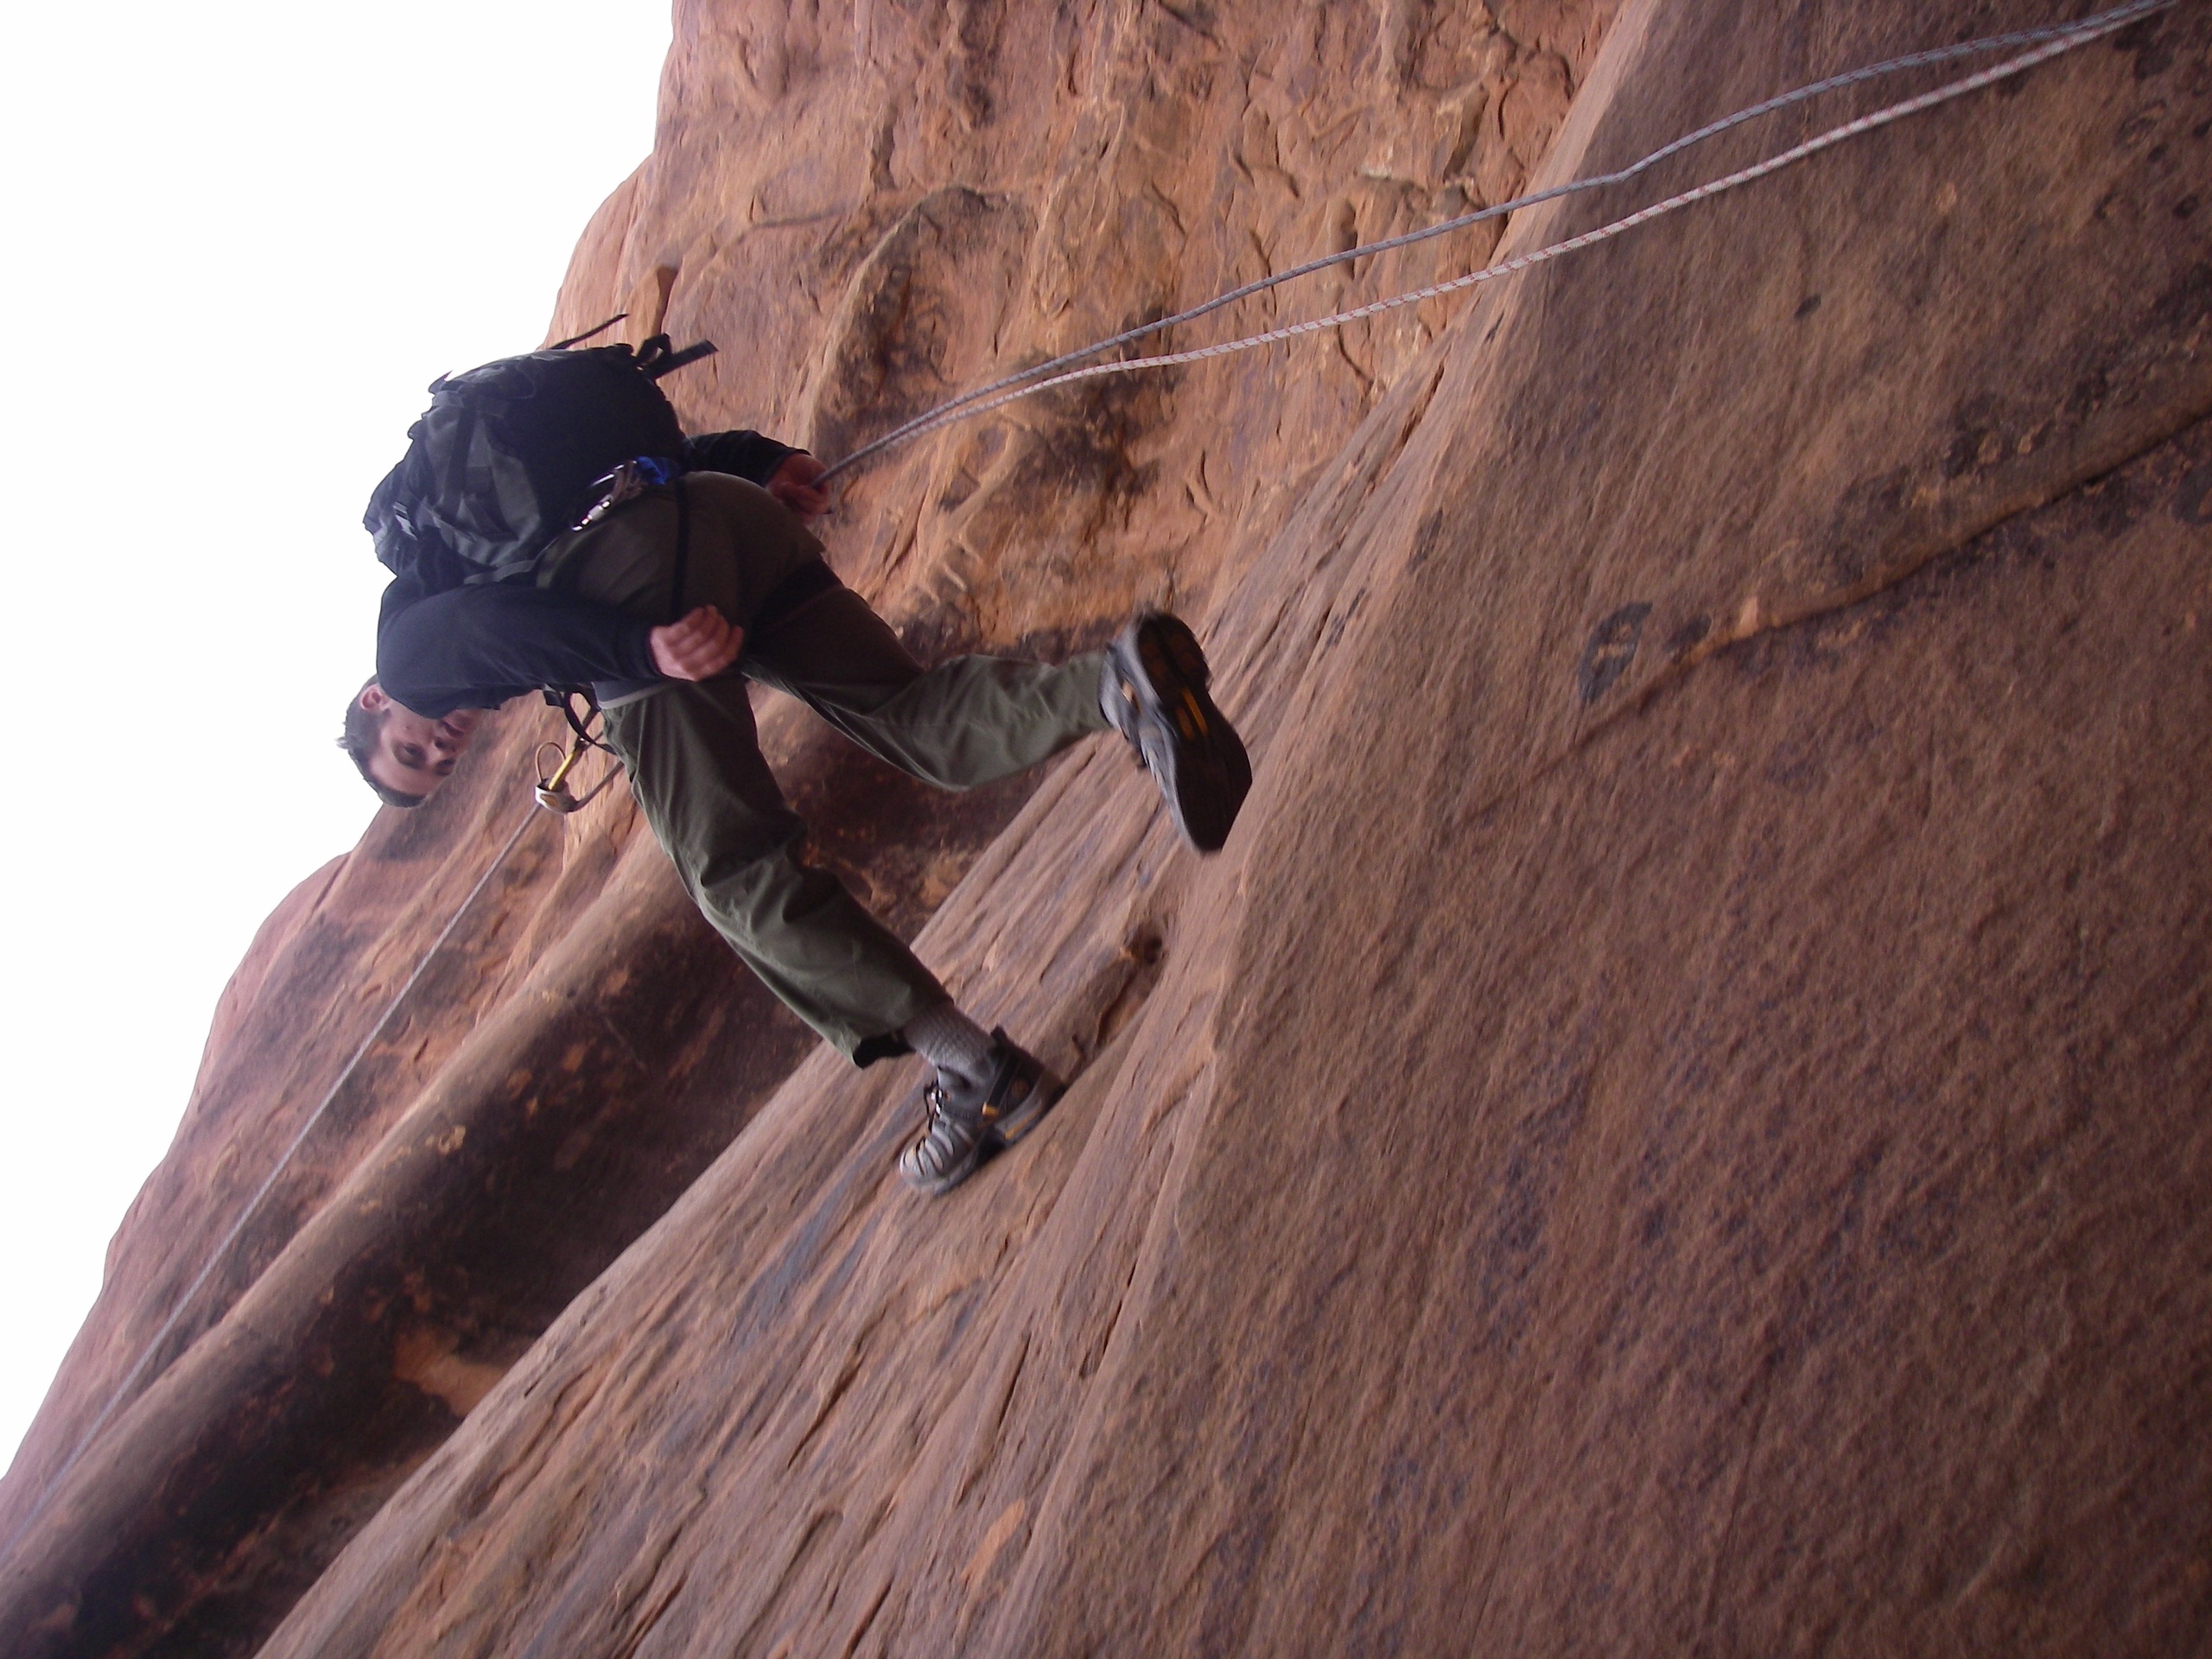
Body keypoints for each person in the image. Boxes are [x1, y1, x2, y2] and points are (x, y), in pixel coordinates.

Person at [343, 429, 1249, 1195]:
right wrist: (757, 461)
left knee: (736, 875)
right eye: (440, 768)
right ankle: (1118, 689)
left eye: (413, 749)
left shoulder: (408, 656)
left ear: (378, 701)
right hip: (724, 515)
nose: (442, 747)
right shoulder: (473, 551)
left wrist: (640, 648)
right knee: (906, 711)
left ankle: (978, 1073)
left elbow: (494, 634)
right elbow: (609, 465)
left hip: (643, 596)